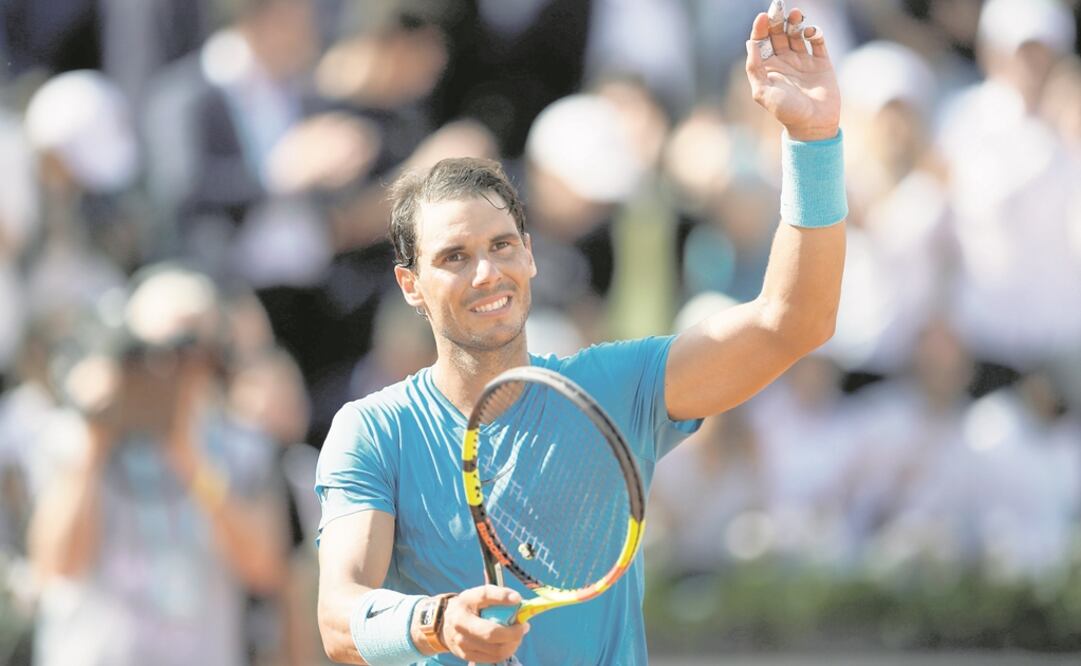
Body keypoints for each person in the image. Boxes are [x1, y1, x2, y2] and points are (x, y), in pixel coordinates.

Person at [315, 5, 846, 664]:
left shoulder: (613, 391)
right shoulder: (373, 431)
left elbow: (794, 321)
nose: (487, 273)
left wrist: (814, 138)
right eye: (454, 257)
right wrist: (437, 621)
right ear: (409, 285)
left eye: (503, 246)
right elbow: (339, 618)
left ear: (531, 256)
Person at [26, 264, 288, 666]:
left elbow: (263, 569)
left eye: (189, 352)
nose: (169, 371)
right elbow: (55, 566)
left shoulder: (242, 448)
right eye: (151, 354)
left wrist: (192, 461)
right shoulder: (71, 438)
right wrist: (96, 439)